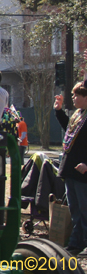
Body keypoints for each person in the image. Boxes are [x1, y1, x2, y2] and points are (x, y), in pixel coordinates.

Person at [54, 83, 87, 255]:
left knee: (84, 209)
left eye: (76, 95)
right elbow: (69, 130)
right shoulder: (77, 115)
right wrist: (59, 111)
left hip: (83, 171)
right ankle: (76, 243)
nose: (73, 98)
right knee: (75, 209)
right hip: (71, 169)